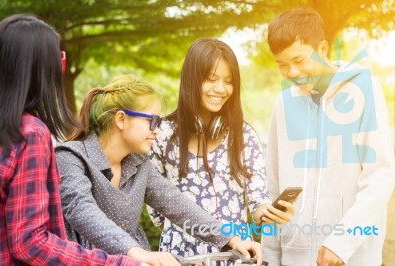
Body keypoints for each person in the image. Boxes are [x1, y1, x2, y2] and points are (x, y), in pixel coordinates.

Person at [55, 75, 264, 266]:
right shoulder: (71, 158)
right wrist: (137, 253)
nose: (157, 129)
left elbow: (179, 206)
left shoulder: (138, 164)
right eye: (151, 121)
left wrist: (232, 240)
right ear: (121, 119)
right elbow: (81, 211)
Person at [0, 14, 141, 265]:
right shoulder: (30, 133)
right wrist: (118, 262)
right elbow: (30, 242)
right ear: (42, 69)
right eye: (58, 60)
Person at [263, 7, 395, 266]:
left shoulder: (364, 90)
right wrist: (270, 256)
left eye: (299, 61)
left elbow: (379, 176)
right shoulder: (283, 103)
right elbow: (273, 186)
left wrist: (341, 243)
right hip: (293, 256)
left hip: (350, 257)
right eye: (282, 64)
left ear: (323, 49)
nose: (291, 72)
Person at [146, 38, 294, 264]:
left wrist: (267, 212)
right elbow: (156, 211)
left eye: (228, 81)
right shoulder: (162, 135)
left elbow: (257, 198)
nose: (221, 89)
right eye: (211, 79)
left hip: (235, 256)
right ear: (192, 80)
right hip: (181, 258)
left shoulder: (243, 135)